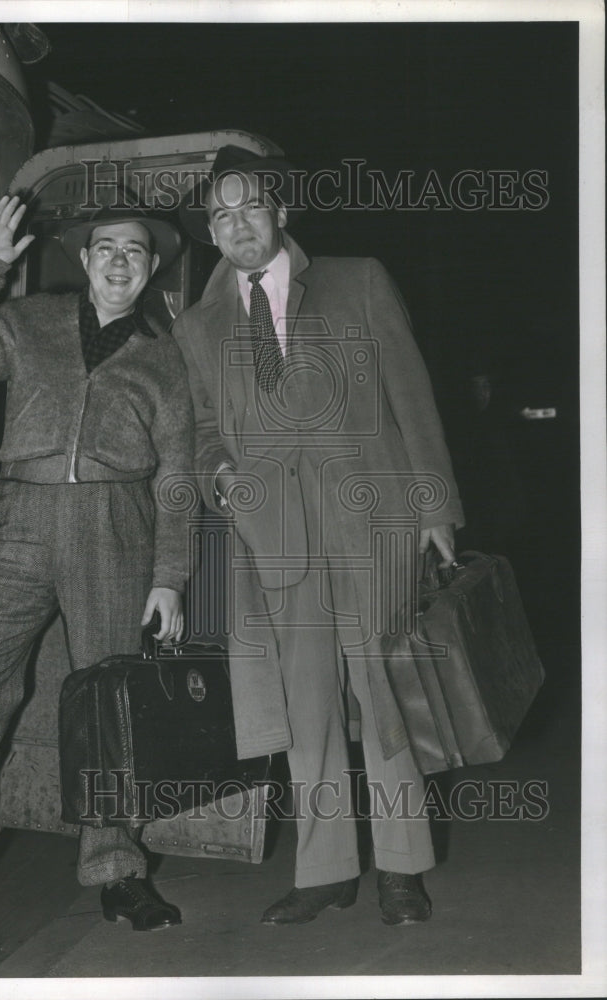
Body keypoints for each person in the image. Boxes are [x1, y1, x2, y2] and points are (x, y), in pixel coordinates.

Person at [173, 146, 464, 927]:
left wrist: (436, 513)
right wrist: (219, 474)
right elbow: (204, 429)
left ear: (279, 212)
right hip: (275, 540)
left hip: (373, 526)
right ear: (210, 230)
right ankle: (325, 869)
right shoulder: (199, 326)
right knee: (305, 710)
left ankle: (402, 867)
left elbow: (412, 395)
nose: (238, 225)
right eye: (221, 215)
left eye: (249, 208)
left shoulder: (356, 279)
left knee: (387, 693)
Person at [0, 194, 193, 931]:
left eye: (135, 253)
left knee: (106, 707)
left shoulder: (165, 359)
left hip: (117, 525)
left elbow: (176, 477)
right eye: (106, 249)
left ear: (149, 272)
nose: (119, 262)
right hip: (19, 514)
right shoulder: (29, 323)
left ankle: (115, 868)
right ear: (84, 261)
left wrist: (168, 578)